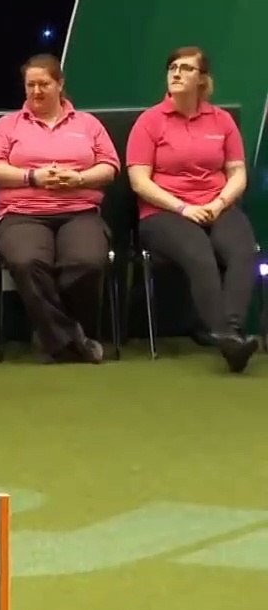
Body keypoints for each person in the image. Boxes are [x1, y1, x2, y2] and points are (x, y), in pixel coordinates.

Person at [125, 45, 259, 372]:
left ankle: (231, 331)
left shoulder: (222, 121)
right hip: (164, 212)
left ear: (203, 80)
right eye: (172, 68)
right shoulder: (150, 122)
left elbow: (237, 172)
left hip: (217, 204)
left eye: (186, 68)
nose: (176, 73)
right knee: (199, 252)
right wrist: (183, 208)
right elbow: (140, 181)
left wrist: (219, 203)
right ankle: (227, 336)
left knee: (243, 251)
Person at [0, 53, 120, 363]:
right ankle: (73, 341)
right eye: (30, 85)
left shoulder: (88, 124)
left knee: (86, 261)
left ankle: (52, 334)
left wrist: (79, 178)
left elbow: (110, 167)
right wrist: (34, 177)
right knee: (28, 261)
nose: (36, 91)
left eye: (44, 84)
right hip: (21, 214)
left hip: (79, 210)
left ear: (60, 84)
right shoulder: (7, 125)